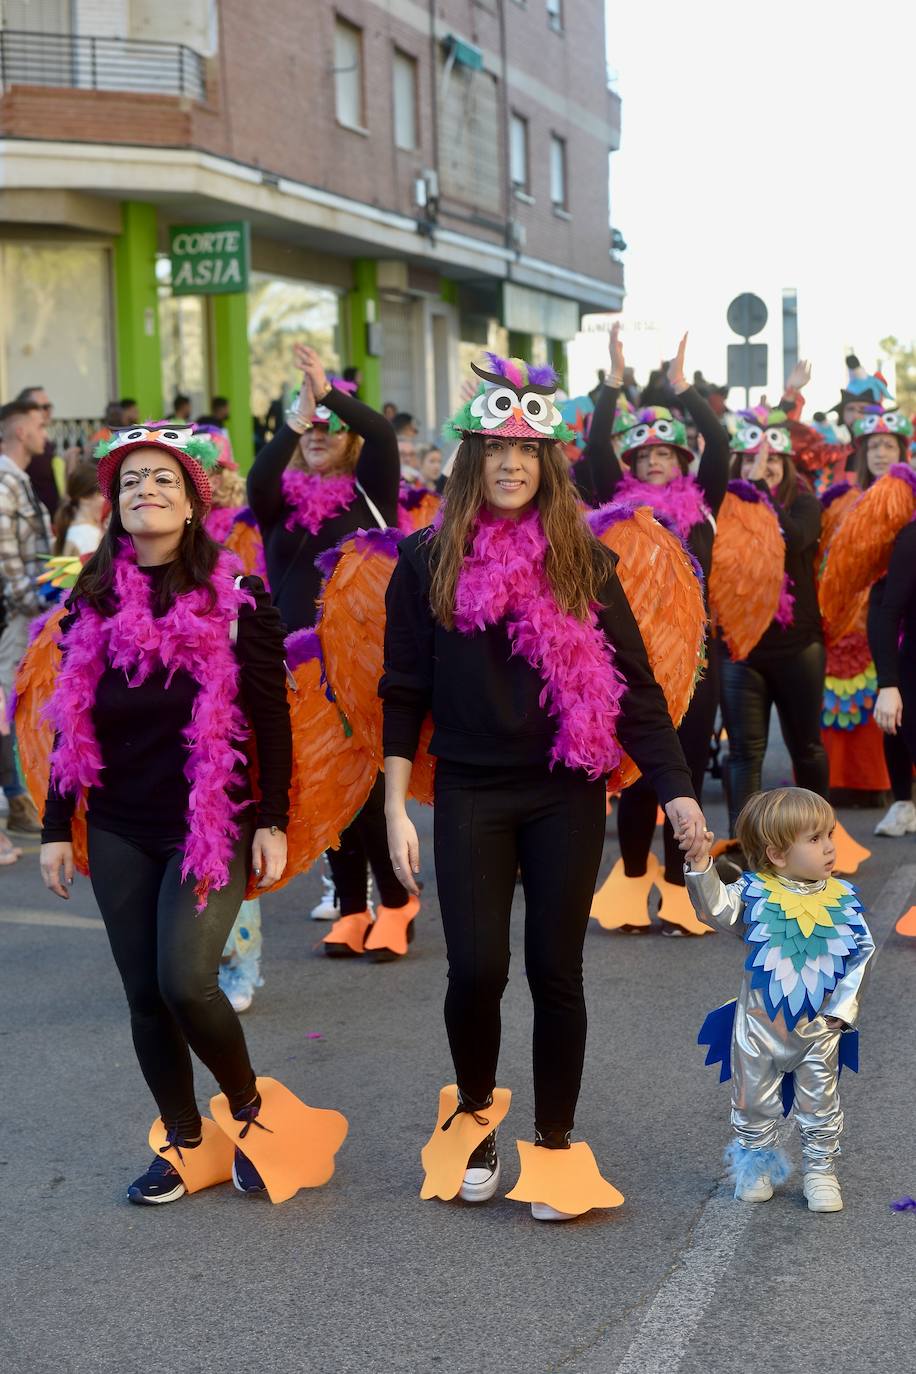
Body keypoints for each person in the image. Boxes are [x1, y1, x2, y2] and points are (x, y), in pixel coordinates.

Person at [381, 353, 707, 1220]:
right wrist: (392, 804)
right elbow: (403, 687)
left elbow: (634, 687)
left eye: (528, 450)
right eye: (495, 449)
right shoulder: (424, 561)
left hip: (566, 790)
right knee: (477, 969)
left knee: (557, 972)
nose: (512, 464)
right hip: (470, 792)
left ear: (551, 463)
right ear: (472, 462)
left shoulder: (585, 563)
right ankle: (479, 1117)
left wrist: (675, 791)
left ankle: (557, 1144)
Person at [37, 423, 342, 1206]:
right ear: (114, 503)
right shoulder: (93, 603)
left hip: (214, 819)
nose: (145, 490)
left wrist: (271, 819)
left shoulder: (238, 604)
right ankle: (184, 1141)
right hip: (117, 824)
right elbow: (73, 721)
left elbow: (270, 719)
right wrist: (53, 829)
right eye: (131, 480)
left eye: (163, 480)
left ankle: (250, 1112)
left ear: (194, 502)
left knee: (187, 980)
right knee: (143, 992)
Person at [247, 344, 416, 958]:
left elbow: (379, 432)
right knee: (318, 785)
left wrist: (328, 390)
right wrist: (298, 413)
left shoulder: (371, 489)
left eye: (330, 428)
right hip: (295, 667)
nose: (320, 434)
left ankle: (398, 903)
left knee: (367, 792)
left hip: (360, 665)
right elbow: (257, 477)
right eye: (311, 428)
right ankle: (350, 906)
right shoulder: (279, 503)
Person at [581, 325, 730, 935]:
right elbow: (594, 449)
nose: (654, 461)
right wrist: (614, 383)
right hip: (631, 658)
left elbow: (718, 440)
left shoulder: (706, 504)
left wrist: (683, 389)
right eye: (644, 455)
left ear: (682, 462)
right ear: (632, 464)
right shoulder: (616, 507)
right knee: (638, 772)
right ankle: (633, 879)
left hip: (694, 658)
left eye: (665, 454)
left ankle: (679, 888)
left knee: (685, 771)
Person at [686, 787, 874, 1213]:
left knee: (821, 1101)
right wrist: (700, 865)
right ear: (775, 854)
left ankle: (820, 1170)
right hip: (758, 1028)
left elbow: (862, 956)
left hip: (819, 1030)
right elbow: (714, 908)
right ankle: (754, 1167)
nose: (829, 847)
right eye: (814, 839)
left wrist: (840, 1014)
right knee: (752, 1101)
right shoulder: (753, 894)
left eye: (829, 834)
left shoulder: (843, 899)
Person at [719, 416, 829, 840]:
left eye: (769, 464)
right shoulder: (721, 511)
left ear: (785, 467)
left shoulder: (803, 504)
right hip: (741, 653)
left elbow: (796, 538)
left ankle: (818, 841)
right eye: (749, 462)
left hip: (798, 648)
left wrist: (762, 492)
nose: (759, 469)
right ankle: (744, 848)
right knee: (744, 754)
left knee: (807, 747)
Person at [0, 399, 52, 842]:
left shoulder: (16, 478)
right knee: (13, 709)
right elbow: (5, 550)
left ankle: (21, 797)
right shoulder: (3, 478)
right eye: (39, 422)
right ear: (19, 431)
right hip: (18, 615)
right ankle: (19, 799)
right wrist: (32, 601)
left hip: (26, 612)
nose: (45, 430)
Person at [52, 460, 106, 558]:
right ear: (84, 498)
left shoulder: (75, 529)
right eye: (101, 493)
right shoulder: (87, 535)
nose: (105, 499)